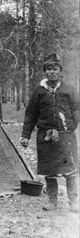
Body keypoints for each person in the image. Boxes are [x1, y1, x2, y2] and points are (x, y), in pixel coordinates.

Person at [20, 53, 79, 212]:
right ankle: (52, 202)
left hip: (66, 136)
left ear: (60, 71)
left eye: (55, 69)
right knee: (50, 171)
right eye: (49, 69)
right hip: (45, 137)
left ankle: (73, 202)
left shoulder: (69, 89)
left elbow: (76, 110)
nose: (52, 72)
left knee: (71, 170)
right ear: (45, 72)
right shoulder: (39, 91)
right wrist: (26, 135)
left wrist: (71, 126)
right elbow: (31, 114)